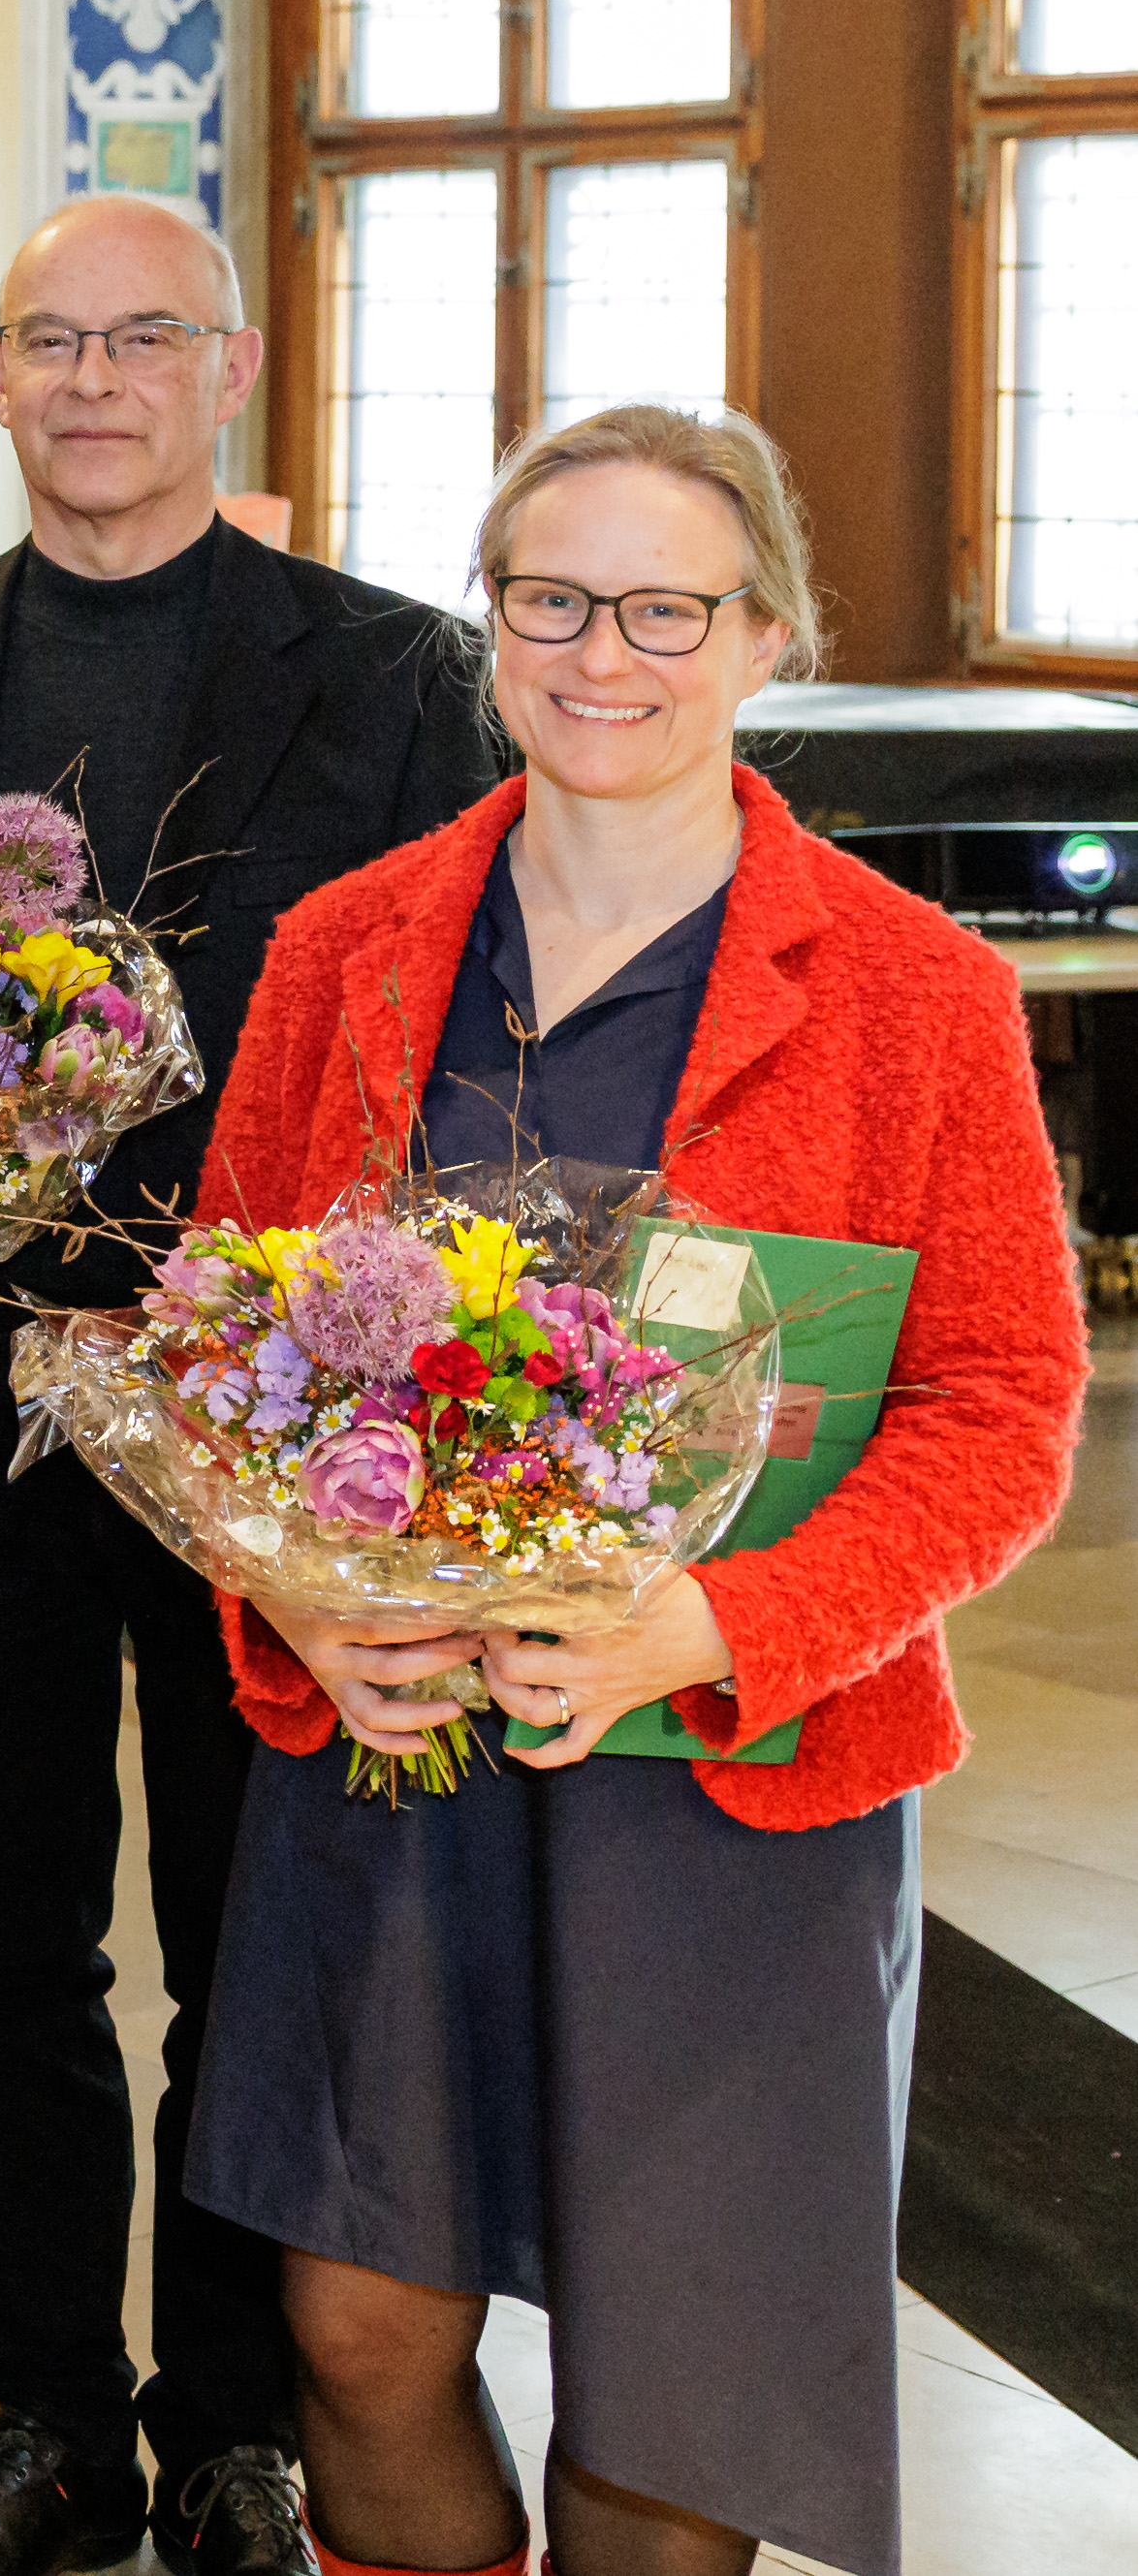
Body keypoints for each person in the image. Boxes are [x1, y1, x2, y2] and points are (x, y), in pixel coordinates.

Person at [180, 403, 1086, 2576]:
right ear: (487, 625)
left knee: (679, 2398)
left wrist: (722, 1623)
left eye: (667, 608)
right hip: (401, 1753)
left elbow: (1002, 1406)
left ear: (766, 634)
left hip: (734, 1782)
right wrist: (288, 1594)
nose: (605, 655)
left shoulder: (916, 992)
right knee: (359, 2331)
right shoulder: (349, 947)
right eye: (552, 599)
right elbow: (212, 1337)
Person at [0, 193, 492, 2576]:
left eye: (141, 338)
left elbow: (441, 1048)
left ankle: (228, 2429)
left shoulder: (393, 676)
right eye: (49, 341)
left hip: (258, 1411)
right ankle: (48, 2419)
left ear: (231, 367)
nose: (92, 381)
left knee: (241, 1939)